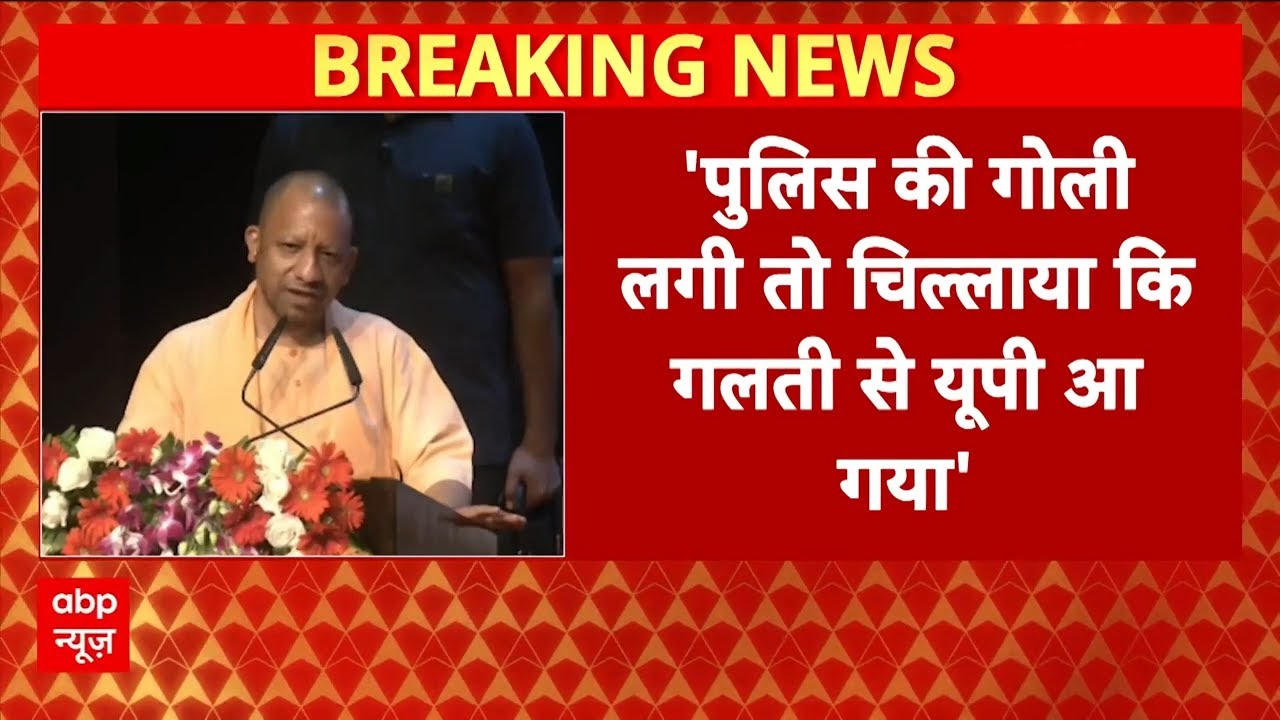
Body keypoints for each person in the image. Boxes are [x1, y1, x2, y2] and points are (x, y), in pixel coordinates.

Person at [118, 170, 525, 540]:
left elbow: (440, 457)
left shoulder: (385, 347)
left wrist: (438, 525)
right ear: (254, 244)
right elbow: (136, 482)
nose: (309, 272)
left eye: (328, 256)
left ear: (349, 265)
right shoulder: (182, 355)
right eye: (291, 247)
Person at [250, 113, 562, 555]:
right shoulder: (300, 126)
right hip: (332, 432)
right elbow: (272, 266)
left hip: (471, 431)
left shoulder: (496, 125)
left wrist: (540, 444)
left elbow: (532, 288)